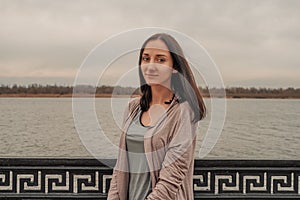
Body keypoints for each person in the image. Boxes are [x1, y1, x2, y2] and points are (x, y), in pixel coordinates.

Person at [107, 33, 206, 200]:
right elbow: (120, 168)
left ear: (175, 67)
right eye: (146, 59)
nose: (151, 66)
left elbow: (173, 175)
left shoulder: (183, 111)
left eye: (160, 60)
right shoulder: (133, 108)